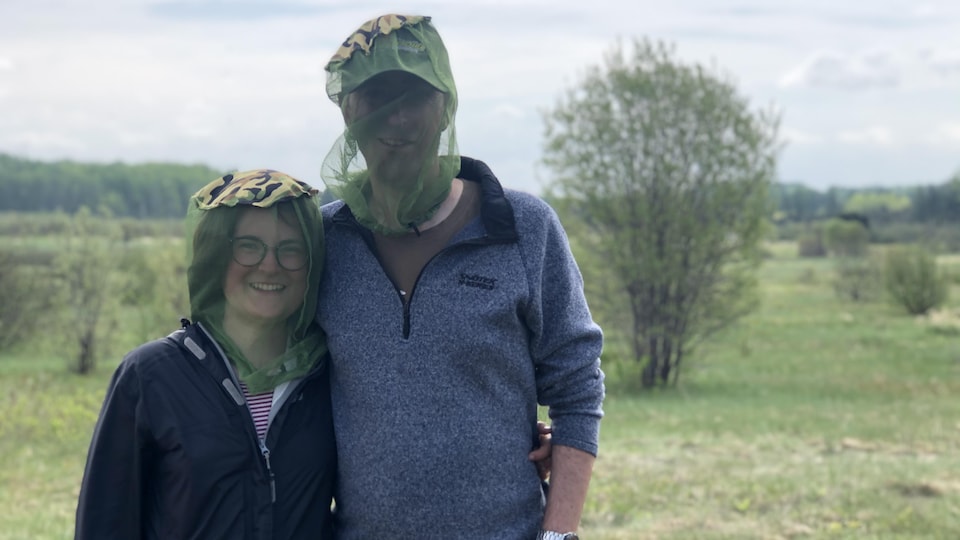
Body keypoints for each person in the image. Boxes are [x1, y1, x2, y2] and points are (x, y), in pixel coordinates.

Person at [317, 14, 605, 540]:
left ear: (446, 104)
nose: (395, 117)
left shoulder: (523, 228)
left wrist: (558, 534)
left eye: (415, 97)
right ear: (347, 110)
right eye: (375, 97)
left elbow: (577, 389)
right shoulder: (322, 240)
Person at [75, 170, 336, 539]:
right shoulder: (150, 376)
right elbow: (105, 525)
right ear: (215, 255)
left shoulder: (329, 376)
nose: (269, 265)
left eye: (291, 249)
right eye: (249, 245)